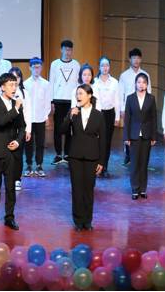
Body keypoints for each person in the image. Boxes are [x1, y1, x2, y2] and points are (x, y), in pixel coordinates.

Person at [58, 84, 107, 231]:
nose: (78, 96)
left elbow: (103, 140)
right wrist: (69, 117)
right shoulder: (73, 112)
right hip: (76, 156)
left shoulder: (98, 115)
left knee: (89, 189)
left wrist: (101, 161)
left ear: (89, 95)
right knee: (77, 189)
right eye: (77, 94)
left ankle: (87, 220)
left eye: (81, 94)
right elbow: (62, 130)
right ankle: (78, 221)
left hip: (92, 156)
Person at [0, 73, 26, 232]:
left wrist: (18, 141)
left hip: (12, 152)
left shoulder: (17, 104)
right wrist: (16, 109)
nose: (14, 88)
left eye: (15, 85)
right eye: (10, 85)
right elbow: (1, 122)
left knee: (10, 188)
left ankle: (9, 217)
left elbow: (22, 127)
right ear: (2, 87)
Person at [123, 73, 157, 200]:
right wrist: (126, 137)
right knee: (134, 164)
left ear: (147, 84)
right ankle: (135, 189)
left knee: (144, 163)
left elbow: (154, 118)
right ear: (135, 84)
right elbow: (127, 119)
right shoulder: (130, 98)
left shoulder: (151, 98)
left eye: (144, 82)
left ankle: (143, 189)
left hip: (147, 135)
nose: (141, 84)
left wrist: (154, 136)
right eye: (139, 82)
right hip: (133, 135)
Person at [49, 39, 80, 166]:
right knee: (57, 128)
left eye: (70, 50)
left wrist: (78, 101)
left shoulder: (76, 64)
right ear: (61, 50)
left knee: (69, 128)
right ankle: (58, 154)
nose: (67, 52)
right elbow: (51, 83)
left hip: (71, 101)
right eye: (65, 49)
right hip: (58, 100)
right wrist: (51, 101)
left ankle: (67, 154)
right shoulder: (55, 64)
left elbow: (78, 84)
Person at [119, 48, 151, 166]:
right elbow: (121, 93)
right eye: (134, 58)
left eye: (138, 58)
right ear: (130, 59)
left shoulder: (145, 75)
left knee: (140, 131)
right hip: (129, 108)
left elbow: (149, 92)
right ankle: (128, 154)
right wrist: (122, 109)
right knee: (128, 130)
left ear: (141, 59)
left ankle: (139, 155)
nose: (136, 60)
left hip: (142, 108)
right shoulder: (124, 75)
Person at [93, 57, 122, 178]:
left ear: (109, 67)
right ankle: (96, 166)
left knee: (107, 141)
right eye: (102, 65)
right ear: (99, 67)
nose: (105, 68)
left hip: (110, 114)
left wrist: (117, 117)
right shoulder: (94, 82)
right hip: (97, 114)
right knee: (97, 141)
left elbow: (117, 100)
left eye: (107, 65)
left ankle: (104, 166)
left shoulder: (114, 82)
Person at [23, 57, 51, 178]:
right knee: (28, 143)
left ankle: (39, 165)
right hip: (28, 119)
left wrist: (46, 116)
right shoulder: (25, 84)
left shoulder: (46, 84)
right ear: (30, 68)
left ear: (41, 68)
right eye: (34, 67)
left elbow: (47, 102)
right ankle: (29, 165)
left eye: (38, 67)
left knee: (40, 143)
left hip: (40, 118)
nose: (36, 70)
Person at [8, 67, 32, 192]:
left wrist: (28, 129)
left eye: (17, 77)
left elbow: (28, 112)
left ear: (21, 79)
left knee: (18, 156)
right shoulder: (5, 92)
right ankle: (9, 179)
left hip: (20, 130)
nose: (15, 80)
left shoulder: (25, 93)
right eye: (13, 77)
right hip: (7, 129)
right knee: (8, 156)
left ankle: (17, 179)